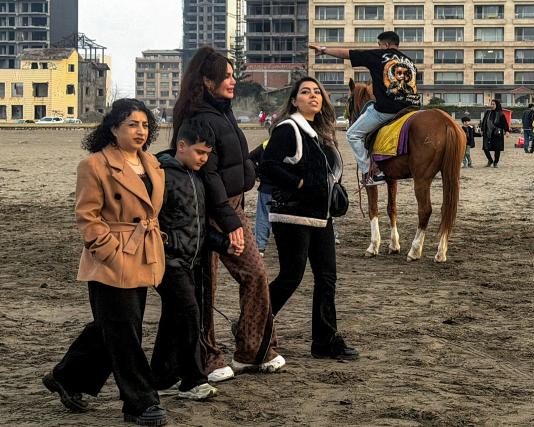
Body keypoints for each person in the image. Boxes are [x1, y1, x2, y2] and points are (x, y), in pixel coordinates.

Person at [42, 99, 168, 426]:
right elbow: (87, 217)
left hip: (143, 254)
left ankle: (67, 377)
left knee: (113, 328)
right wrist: (110, 251)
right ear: (113, 128)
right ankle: (139, 403)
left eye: (144, 125)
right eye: (132, 124)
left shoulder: (153, 163)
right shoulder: (95, 165)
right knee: (125, 332)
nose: (140, 131)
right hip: (112, 259)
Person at [172, 46, 283, 380]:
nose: (233, 81)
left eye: (234, 75)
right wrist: (231, 222)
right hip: (213, 210)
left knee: (254, 276)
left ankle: (252, 351)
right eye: (227, 76)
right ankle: (207, 357)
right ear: (207, 80)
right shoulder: (200, 118)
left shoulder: (222, 111)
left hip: (234, 206)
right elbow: (210, 176)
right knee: (207, 286)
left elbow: (234, 161)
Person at [261, 77, 359, 360]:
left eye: (317, 92)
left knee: (327, 278)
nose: (313, 96)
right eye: (305, 92)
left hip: (320, 216)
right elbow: (268, 167)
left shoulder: (320, 133)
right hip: (292, 216)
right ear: (294, 100)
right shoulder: (288, 128)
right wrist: (301, 183)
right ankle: (250, 323)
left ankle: (325, 342)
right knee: (291, 277)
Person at [150, 118, 224, 401]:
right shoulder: (160, 175)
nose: (204, 159)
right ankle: (193, 380)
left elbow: (198, 225)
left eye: (207, 154)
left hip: (190, 261)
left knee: (173, 317)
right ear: (181, 146)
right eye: (199, 153)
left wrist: (223, 243)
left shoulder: (197, 177)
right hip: (167, 261)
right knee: (190, 314)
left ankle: (161, 376)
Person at [309, 31, 420, 186]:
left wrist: (324, 49)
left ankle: (371, 173)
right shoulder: (409, 61)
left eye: (380, 45)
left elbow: (347, 53)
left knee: (353, 134)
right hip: (412, 109)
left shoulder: (379, 55)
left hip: (387, 110)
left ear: (386, 44)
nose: (379, 47)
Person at [249, 139, 273, 256]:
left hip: (266, 188)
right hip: (287, 189)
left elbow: (250, 158)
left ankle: (260, 247)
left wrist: (258, 173)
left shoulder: (266, 144)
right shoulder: (294, 141)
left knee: (263, 217)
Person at [480, 99, 509, 167]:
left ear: (497, 105)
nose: (492, 105)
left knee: (497, 148)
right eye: (491, 104)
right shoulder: (488, 112)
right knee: (485, 147)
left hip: (497, 133)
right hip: (487, 132)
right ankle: (490, 160)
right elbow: (484, 121)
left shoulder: (501, 113)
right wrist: (482, 129)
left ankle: (495, 162)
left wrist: (507, 131)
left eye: (494, 104)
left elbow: (504, 123)